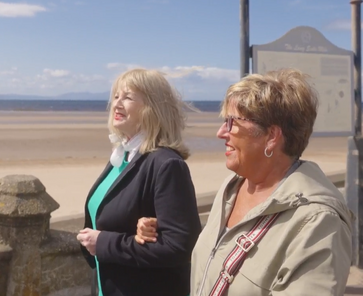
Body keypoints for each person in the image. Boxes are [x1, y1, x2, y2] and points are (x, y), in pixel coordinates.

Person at [136, 69, 352, 295]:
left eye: (232, 122)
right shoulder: (232, 188)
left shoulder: (318, 223)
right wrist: (158, 231)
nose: (221, 132)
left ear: (271, 136)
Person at [76, 68, 201, 296]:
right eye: (116, 96)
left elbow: (179, 248)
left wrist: (104, 244)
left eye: (128, 97)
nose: (117, 104)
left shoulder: (166, 164)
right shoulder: (122, 156)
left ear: (152, 108)